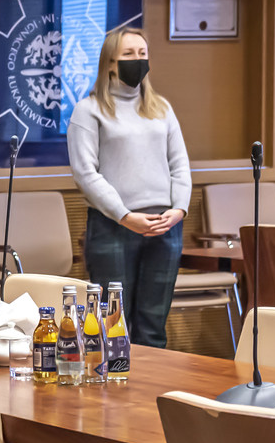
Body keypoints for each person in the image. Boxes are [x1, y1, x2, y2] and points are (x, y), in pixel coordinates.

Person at [67, 26, 190, 349]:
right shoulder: (88, 110)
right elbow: (85, 173)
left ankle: (150, 384)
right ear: (110, 63)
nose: (138, 60)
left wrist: (179, 209)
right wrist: (124, 215)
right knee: (113, 329)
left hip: (165, 227)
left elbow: (180, 164)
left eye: (142, 54)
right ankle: (114, 383)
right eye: (128, 54)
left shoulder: (161, 108)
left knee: (153, 329)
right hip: (113, 226)